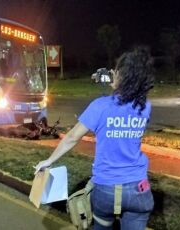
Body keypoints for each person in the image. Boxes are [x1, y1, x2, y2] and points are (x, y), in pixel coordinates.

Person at [34, 47, 154, 230]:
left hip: (106, 188)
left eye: (116, 71)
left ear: (121, 75)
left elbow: (72, 137)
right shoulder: (145, 108)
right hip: (138, 188)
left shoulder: (100, 106)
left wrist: (49, 160)